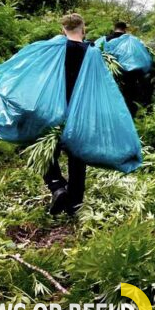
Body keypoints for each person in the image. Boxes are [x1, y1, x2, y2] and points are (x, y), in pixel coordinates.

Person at [45, 13, 90, 216]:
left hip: (55, 109)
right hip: (81, 111)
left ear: (63, 29)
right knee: (77, 156)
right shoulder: (93, 53)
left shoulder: (54, 51)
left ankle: (56, 185)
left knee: (45, 147)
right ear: (83, 27)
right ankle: (74, 204)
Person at [104, 21, 150, 118]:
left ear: (114, 28)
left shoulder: (107, 39)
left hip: (118, 71)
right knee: (135, 91)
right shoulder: (133, 40)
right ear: (125, 29)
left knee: (124, 92)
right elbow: (142, 52)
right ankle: (139, 111)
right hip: (135, 70)